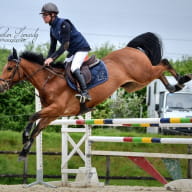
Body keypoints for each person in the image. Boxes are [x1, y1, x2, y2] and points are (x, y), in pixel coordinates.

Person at [40, 2, 91, 103]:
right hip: (72, 51)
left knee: (74, 68)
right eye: (43, 15)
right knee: (64, 69)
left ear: (53, 15)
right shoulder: (52, 29)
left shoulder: (64, 24)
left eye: (45, 15)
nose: (43, 17)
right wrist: (47, 59)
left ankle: (85, 93)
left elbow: (65, 45)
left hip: (81, 48)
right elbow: (53, 47)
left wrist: (53, 58)